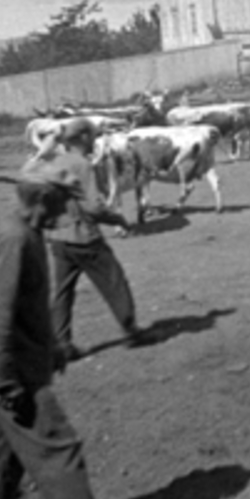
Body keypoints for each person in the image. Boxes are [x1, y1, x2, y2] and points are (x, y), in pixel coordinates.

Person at [0, 159, 126, 499]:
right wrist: (5, 381)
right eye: (63, 201)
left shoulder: (27, 233)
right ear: (44, 198)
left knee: (1, 457)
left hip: (7, 365)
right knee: (58, 449)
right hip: (10, 370)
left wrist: (52, 346)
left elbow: (24, 307)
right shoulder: (14, 240)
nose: (67, 210)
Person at [43, 127, 147, 362]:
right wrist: (118, 219)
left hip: (58, 237)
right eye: (92, 136)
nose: (95, 141)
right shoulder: (82, 164)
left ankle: (62, 344)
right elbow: (92, 207)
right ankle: (131, 331)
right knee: (114, 281)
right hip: (84, 237)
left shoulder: (55, 162)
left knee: (62, 292)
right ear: (82, 138)